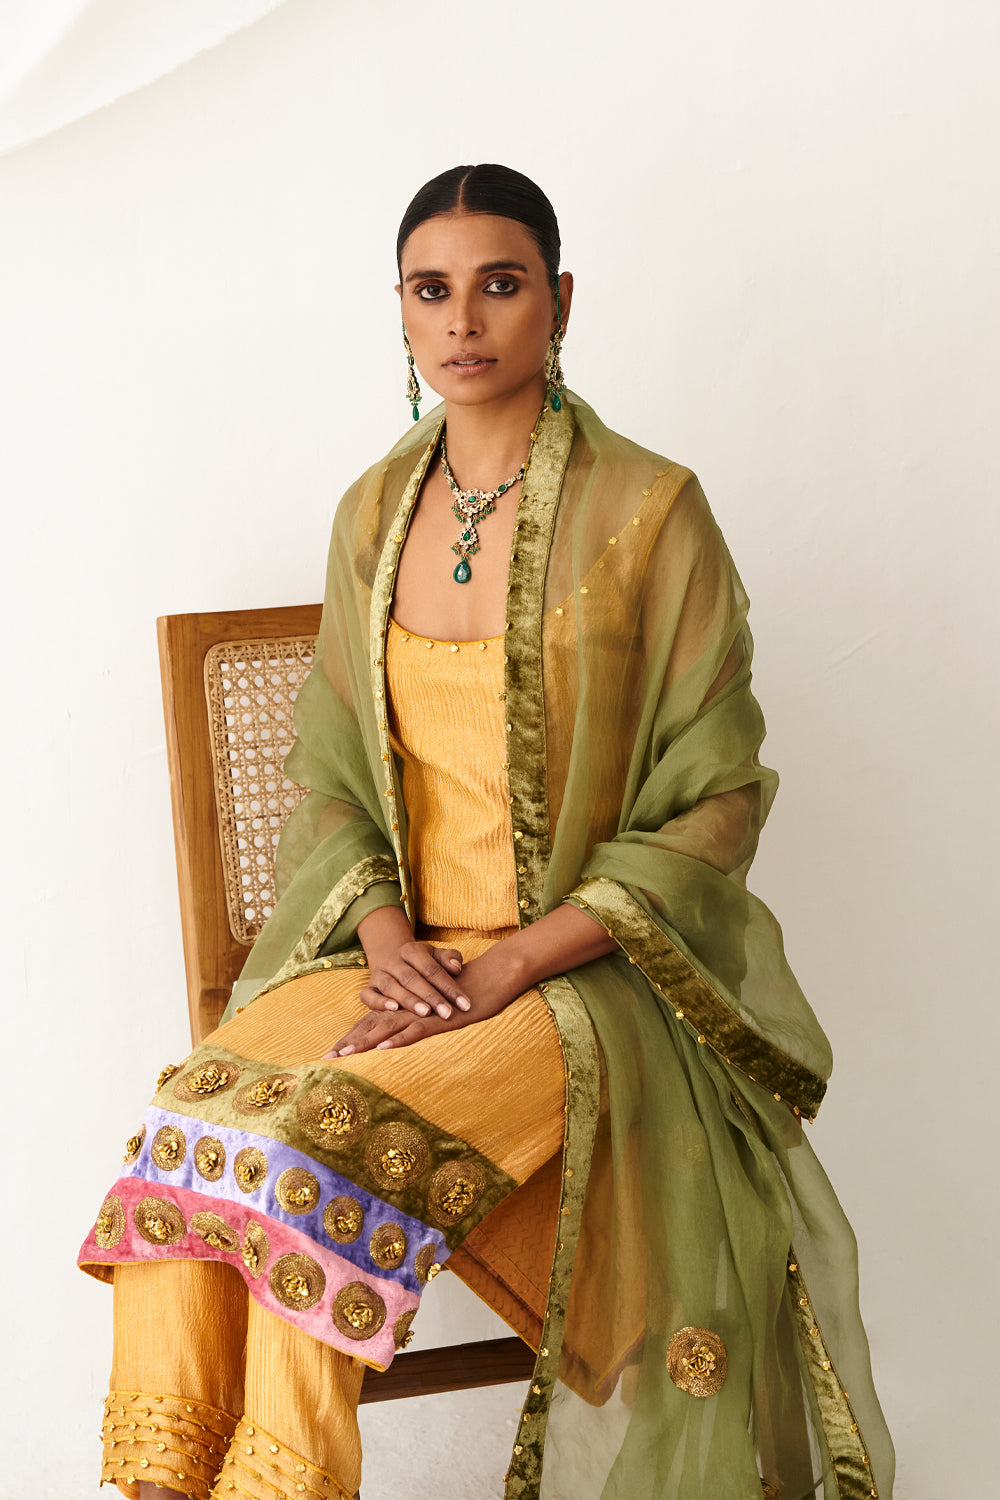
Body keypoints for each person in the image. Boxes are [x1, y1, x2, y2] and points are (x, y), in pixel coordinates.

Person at [80, 163, 894, 1500]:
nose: (463, 320)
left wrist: (510, 961)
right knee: (195, 1124)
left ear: (559, 300)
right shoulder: (372, 510)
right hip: (399, 962)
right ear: (400, 309)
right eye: (431, 290)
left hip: (581, 974)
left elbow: (716, 797)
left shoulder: (649, 513)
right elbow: (333, 770)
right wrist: (387, 940)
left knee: (321, 1151)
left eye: (500, 285)